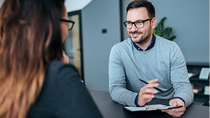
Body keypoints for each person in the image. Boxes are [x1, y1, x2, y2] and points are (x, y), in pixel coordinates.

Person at [0, 0, 103, 118]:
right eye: (67, 23)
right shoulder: (58, 76)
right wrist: (61, 70)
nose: (67, 31)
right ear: (51, 25)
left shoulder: (6, 73)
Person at [109, 0, 193, 117]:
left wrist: (180, 100)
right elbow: (116, 89)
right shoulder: (118, 50)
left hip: (167, 109)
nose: (133, 29)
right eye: (129, 23)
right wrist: (137, 98)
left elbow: (183, 86)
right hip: (135, 109)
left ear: (153, 22)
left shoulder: (171, 49)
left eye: (139, 22)